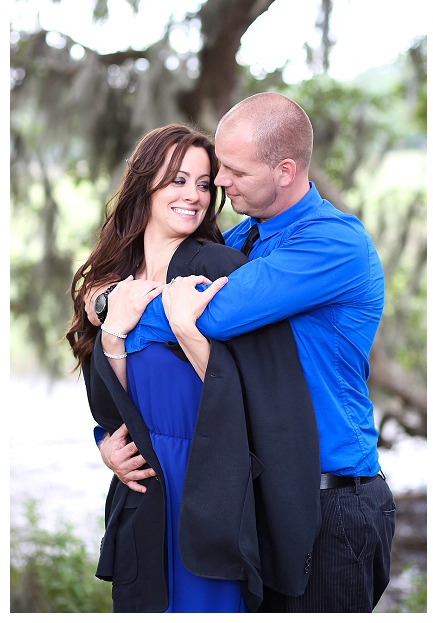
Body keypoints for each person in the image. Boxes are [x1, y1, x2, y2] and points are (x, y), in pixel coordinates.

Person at [87, 93, 396, 612]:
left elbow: (217, 315)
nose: (220, 185)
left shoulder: (331, 244)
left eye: (231, 171)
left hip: (329, 502)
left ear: (285, 170)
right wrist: (103, 304)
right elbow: (169, 327)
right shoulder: (239, 240)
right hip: (257, 495)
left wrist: (116, 306)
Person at [67, 124, 268, 611]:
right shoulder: (111, 281)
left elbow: (250, 393)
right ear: (145, 184)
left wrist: (186, 332)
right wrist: (113, 332)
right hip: (142, 488)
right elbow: (108, 409)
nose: (193, 195)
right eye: (178, 179)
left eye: (203, 184)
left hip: (207, 481)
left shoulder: (220, 265)